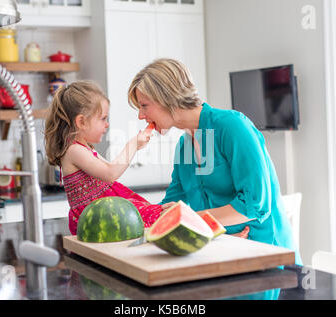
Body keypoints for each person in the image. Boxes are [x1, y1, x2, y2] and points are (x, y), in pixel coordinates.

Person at [127, 58, 302, 265]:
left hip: (269, 260)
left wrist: (193, 218)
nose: (140, 115)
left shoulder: (232, 126)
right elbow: (171, 206)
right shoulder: (184, 147)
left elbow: (255, 204)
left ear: (167, 97)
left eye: (145, 106)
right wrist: (132, 215)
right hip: (225, 255)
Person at [44, 80, 162, 235]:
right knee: (158, 217)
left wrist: (137, 146)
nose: (107, 124)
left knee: (162, 212)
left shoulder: (86, 148)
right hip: (95, 220)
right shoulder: (74, 151)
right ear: (81, 122)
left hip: (106, 213)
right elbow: (110, 173)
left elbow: (112, 167)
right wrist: (132, 144)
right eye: (103, 119)